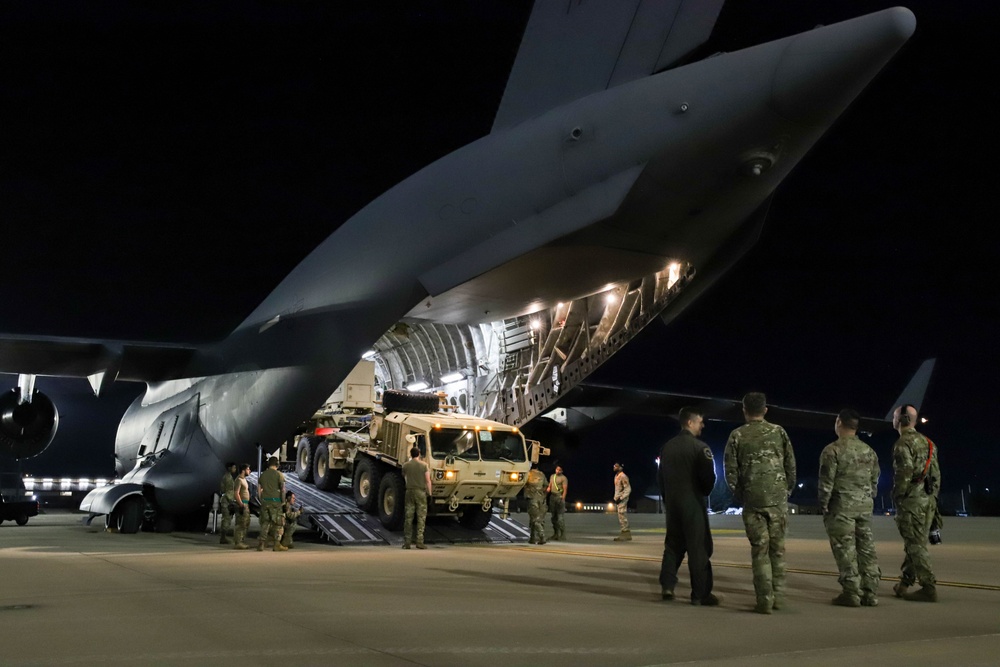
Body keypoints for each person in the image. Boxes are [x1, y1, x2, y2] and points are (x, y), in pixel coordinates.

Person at [724, 392, 797, 614]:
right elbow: (790, 466)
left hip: (753, 502)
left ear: (744, 410)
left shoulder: (737, 435)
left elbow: (730, 472)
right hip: (777, 502)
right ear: (765, 410)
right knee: (777, 550)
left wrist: (742, 495)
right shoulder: (779, 432)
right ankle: (779, 598)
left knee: (760, 551)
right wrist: (785, 491)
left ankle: (764, 600)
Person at [818, 409, 881, 607]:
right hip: (864, 506)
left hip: (842, 506)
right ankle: (870, 592)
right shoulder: (869, 451)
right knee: (866, 548)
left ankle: (851, 592)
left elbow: (826, 482)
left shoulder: (832, 450)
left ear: (839, 422)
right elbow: (874, 479)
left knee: (845, 549)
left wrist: (824, 504)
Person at [658, 407, 718, 606]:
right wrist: (702, 493)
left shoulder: (667, 447)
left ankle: (667, 586)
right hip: (692, 503)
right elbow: (708, 478)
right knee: (698, 548)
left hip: (673, 505)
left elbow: (661, 479)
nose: (703, 425)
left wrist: (668, 499)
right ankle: (700, 594)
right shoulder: (700, 447)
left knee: (673, 546)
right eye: (700, 421)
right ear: (690, 423)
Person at [891, 403, 940, 602]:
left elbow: (904, 474)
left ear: (901, 420)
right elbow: (936, 476)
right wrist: (931, 499)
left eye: (895, 416)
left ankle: (928, 587)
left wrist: (898, 496)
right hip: (928, 501)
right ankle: (904, 583)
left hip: (912, 503)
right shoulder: (929, 443)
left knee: (915, 545)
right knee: (915, 543)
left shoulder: (902, 444)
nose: (893, 420)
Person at [402, 446, 432, 549]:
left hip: (409, 492)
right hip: (420, 492)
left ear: (411, 454)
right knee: (421, 517)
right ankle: (419, 542)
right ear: (419, 454)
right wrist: (430, 493)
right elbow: (428, 480)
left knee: (408, 517)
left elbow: (405, 477)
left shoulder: (406, 465)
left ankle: (407, 542)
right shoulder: (424, 465)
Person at [257, 456, 287, 552]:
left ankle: (261, 544)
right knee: (279, 524)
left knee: (265, 523)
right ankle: (277, 544)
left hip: (265, 501)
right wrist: (283, 501)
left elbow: (259, 491)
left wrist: (262, 500)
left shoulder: (263, 475)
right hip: (275, 502)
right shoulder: (279, 475)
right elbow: (282, 489)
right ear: (277, 464)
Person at [523, 463, 547, 545]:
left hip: (532, 498)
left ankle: (542, 536)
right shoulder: (542, 474)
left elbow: (523, 483)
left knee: (534, 519)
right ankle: (532, 538)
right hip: (541, 499)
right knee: (538, 518)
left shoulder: (528, 474)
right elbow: (546, 486)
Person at [546, 465, 568, 541]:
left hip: (559, 497)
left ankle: (562, 534)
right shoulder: (552, 476)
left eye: (559, 470)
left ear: (562, 471)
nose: (557, 471)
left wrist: (563, 498)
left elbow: (565, 489)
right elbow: (550, 485)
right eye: (557, 469)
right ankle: (556, 534)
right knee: (553, 517)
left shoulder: (563, 478)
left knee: (560, 518)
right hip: (552, 497)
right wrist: (547, 490)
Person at [233, 463, 252, 550]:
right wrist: (240, 504)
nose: (249, 471)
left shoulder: (244, 480)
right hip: (242, 504)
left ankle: (241, 540)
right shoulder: (239, 480)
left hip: (246, 503)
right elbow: (236, 493)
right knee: (241, 523)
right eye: (248, 469)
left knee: (245, 523)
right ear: (243, 470)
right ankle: (238, 542)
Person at [218, 461, 237, 545]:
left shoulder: (226, 476)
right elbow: (229, 491)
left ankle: (223, 537)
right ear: (230, 468)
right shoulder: (229, 478)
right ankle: (223, 537)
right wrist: (232, 501)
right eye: (234, 467)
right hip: (227, 500)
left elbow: (222, 489)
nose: (235, 469)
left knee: (226, 519)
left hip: (225, 499)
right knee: (226, 519)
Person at [612, 462, 632, 541]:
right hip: (618, 499)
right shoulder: (616, 476)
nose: (614, 467)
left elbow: (628, 489)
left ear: (620, 467)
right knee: (620, 516)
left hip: (622, 499)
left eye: (616, 466)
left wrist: (621, 498)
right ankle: (625, 532)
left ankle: (625, 532)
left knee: (622, 515)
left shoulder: (623, 476)